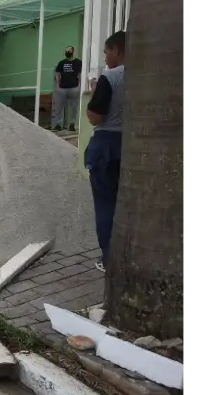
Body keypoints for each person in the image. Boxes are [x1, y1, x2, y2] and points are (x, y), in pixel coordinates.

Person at [84, 31, 126, 273]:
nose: (105, 56)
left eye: (107, 51)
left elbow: (95, 116)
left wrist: (94, 91)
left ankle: (110, 259)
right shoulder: (145, 74)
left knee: (105, 205)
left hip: (106, 147)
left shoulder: (110, 77)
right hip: (129, 147)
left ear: (117, 50)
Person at [51, 45, 82, 131]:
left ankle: (71, 124)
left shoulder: (78, 62)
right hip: (62, 88)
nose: (67, 52)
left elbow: (80, 74)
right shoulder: (61, 63)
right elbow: (57, 74)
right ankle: (58, 125)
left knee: (74, 107)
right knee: (59, 107)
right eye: (66, 51)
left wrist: (79, 85)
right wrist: (57, 85)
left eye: (69, 51)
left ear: (73, 51)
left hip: (74, 87)